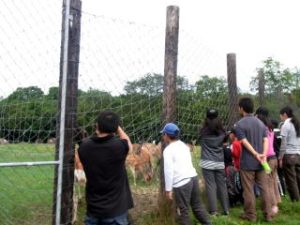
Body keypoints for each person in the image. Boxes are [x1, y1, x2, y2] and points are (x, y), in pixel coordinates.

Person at [78, 111, 134, 225]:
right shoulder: (119, 146)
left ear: (97, 126)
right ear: (115, 128)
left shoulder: (84, 146)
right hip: (116, 212)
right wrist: (118, 128)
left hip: (93, 210)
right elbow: (129, 145)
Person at [162, 123, 212, 225]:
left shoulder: (168, 150)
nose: (163, 136)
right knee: (197, 206)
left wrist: (168, 189)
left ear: (166, 135)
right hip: (193, 178)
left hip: (181, 182)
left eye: (163, 134)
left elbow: (168, 171)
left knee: (183, 211)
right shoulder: (184, 146)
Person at [235, 97, 273, 222]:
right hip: (262, 162)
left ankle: (251, 215)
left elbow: (244, 142)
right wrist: (263, 154)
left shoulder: (239, 124)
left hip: (247, 162)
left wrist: (255, 154)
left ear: (241, 108)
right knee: (264, 188)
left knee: (248, 189)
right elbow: (266, 140)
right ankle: (268, 214)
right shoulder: (260, 123)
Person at [199, 109, 229, 216]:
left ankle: (213, 211)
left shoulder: (202, 131)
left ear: (206, 118)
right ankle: (226, 210)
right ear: (218, 118)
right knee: (222, 185)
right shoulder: (223, 132)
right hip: (219, 162)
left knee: (210, 186)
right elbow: (225, 142)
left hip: (207, 162)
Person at [255, 106, 281, 215]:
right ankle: (277, 201)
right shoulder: (270, 126)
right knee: (273, 181)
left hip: (267, 159)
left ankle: (273, 206)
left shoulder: (261, 127)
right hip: (274, 157)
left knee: (267, 184)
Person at [279, 106, 300, 202]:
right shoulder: (297, 123)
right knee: (298, 178)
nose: (280, 118)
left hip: (289, 155)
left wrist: (280, 157)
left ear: (285, 114)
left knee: (291, 180)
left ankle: (296, 201)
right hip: (298, 154)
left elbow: (283, 143)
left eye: (281, 116)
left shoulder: (286, 125)